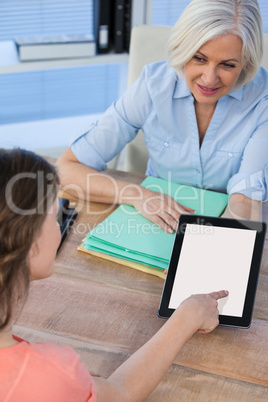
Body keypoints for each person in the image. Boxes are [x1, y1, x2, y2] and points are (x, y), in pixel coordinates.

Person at [0, 148, 228, 401]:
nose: (58, 224)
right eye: (54, 217)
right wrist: (188, 316)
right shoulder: (47, 376)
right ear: (27, 242)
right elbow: (120, 393)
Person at [57, 0, 267, 232]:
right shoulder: (153, 85)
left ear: (246, 61)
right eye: (199, 58)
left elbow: (245, 200)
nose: (209, 79)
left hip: (225, 222)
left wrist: (205, 254)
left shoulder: (262, 101)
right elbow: (67, 168)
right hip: (152, 220)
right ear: (182, 49)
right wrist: (139, 196)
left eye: (227, 65)